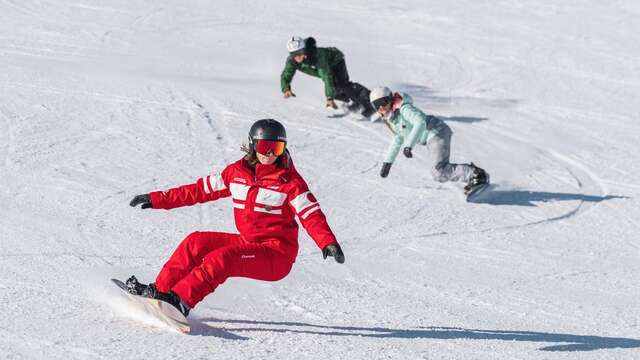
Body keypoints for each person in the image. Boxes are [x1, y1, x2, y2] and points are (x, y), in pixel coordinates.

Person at [127, 119, 345, 317]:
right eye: (263, 147)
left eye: (276, 148)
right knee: (196, 242)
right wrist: (158, 199)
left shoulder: (290, 182)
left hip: (277, 254)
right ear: (252, 145)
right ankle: (159, 291)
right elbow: (199, 190)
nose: (269, 154)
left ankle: (180, 302)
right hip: (249, 243)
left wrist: (327, 241)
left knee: (223, 259)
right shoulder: (236, 173)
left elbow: (311, 213)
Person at [369, 86, 489, 193]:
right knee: (439, 172)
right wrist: (387, 163)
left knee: (439, 172)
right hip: (433, 136)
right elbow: (398, 138)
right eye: (376, 106)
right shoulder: (393, 119)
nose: (380, 108)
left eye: (381, 102)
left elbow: (420, 122)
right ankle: (473, 174)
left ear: (389, 99)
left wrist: (409, 146)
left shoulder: (404, 108)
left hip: (436, 131)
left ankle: (476, 175)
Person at [280, 36, 376, 118]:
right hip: (327, 69)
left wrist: (329, 97)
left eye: (300, 52)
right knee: (335, 91)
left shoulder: (317, 56)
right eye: (294, 54)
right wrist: (286, 88)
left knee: (342, 84)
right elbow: (286, 75)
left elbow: (326, 76)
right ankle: (356, 102)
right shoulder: (292, 62)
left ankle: (370, 101)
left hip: (335, 60)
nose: (298, 57)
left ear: (304, 50)